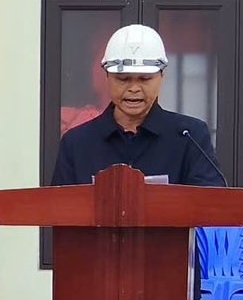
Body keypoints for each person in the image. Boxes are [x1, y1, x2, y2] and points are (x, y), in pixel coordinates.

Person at [51, 24, 223, 187]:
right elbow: (59, 205)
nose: (134, 88)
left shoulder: (190, 137)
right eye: (123, 79)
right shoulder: (76, 143)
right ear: (107, 77)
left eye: (144, 79)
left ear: (161, 77)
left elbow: (211, 202)